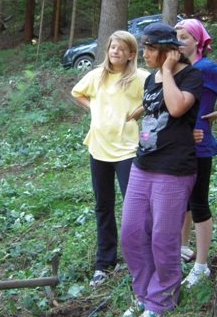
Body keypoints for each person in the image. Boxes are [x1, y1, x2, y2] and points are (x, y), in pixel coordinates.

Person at [120, 23, 200, 317]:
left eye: (151, 48)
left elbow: (177, 108)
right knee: (131, 232)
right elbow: (153, 112)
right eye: (145, 47)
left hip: (174, 169)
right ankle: (144, 293)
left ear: (169, 51)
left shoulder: (191, 75)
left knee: (163, 239)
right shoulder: (151, 79)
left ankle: (162, 299)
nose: (145, 54)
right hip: (143, 165)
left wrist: (167, 71)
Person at [71, 31, 149, 287]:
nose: (116, 51)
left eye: (122, 48)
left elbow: (156, 95)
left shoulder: (139, 77)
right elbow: (77, 92)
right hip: (98, 148)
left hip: (127, 150)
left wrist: (138, 111)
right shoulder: (96, 75)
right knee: (103, 205)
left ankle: (140, 260)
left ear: (131, 54)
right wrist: (93, 107)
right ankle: (105, 262)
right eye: (113, 47)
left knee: (134, 207)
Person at [174, 19, 217, 288]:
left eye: (184, 36)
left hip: (199, 144)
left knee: (198, 202)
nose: (178, 41)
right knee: (183, 201)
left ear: (198, 41)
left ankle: (201, 265)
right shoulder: (178, 68)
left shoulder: (206, 67)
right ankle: (183, 248)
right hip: (178, 144)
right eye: (176, 36)